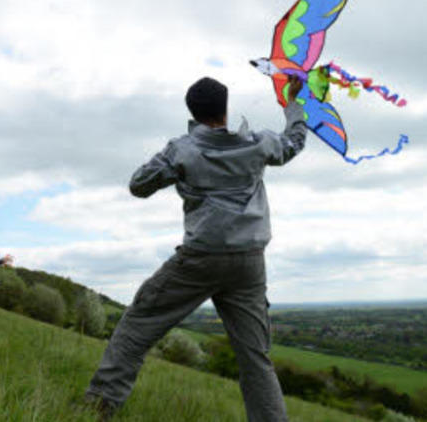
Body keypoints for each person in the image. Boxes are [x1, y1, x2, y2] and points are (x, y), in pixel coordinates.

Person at [83, 76, 306, 422]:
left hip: (201, 258)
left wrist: (175, 163)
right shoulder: (260, 143)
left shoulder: (183, 148)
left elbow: (138, 185)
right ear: (225, 108)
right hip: (249, 263)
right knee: (255, 357)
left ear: (192, 112)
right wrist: (293, 103)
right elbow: (294, 141)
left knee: (137, 323)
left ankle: (98, 409)